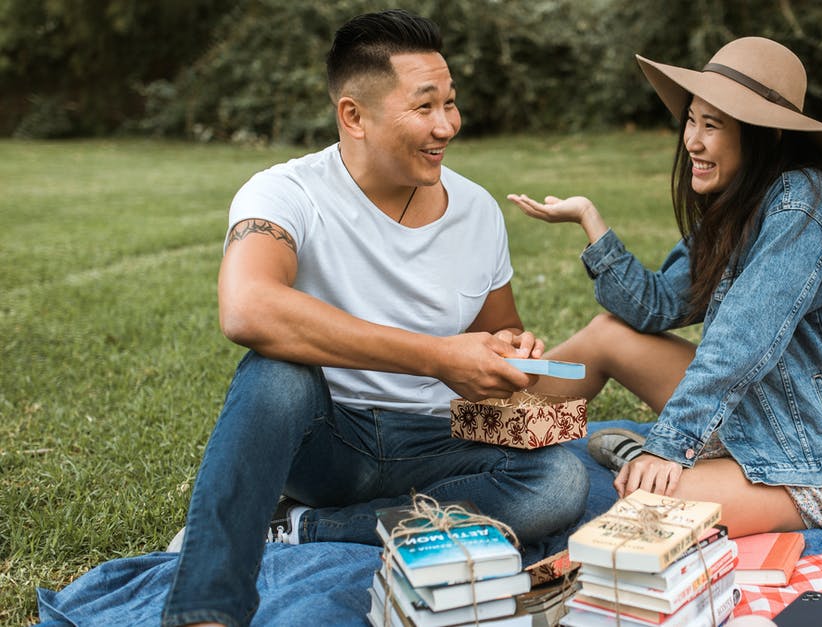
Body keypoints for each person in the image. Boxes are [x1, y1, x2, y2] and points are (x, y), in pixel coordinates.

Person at [161, 10, 588, 627]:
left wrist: (504, 350)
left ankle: (302, 527)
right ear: (353, 116)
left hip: (432, 439)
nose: (447, 125)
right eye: (424, 107)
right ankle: (206, 612)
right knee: (277, 375)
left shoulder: (476, 210)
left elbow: (495, 331)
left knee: (558, 482)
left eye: (451, 102)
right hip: (325, 440)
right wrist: (438, 356)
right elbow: (248, 307)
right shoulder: (284, 194)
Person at [508, 37, 822, 538]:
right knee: (606, 334)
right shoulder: (740, 203)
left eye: (713, 125)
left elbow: (744, 339)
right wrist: (591, 221)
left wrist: (669, 445)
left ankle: (654, 460)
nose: (692, 142)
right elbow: (654, 306)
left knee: (642, 517)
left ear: (761, 135)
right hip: (757, 410)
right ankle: (487, 442)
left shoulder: (805, 202)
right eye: (691, 120)